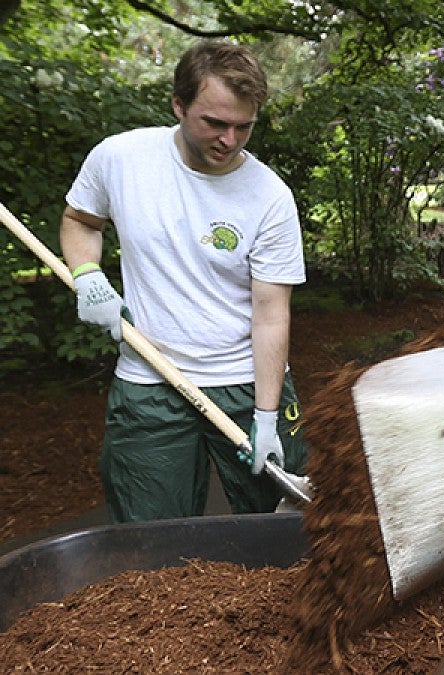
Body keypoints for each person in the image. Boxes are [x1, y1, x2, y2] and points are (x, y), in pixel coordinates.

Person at [60, 40, 308, 523]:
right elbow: (80, 220)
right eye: (214, 123)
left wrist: (264, 415)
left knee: (282, 529)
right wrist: (87, 274)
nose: (230, 140)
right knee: (149, 541)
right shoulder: (121, 158)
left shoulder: (270, 196)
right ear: (178, 104)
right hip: (149, 383)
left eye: (244, 126)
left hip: (244, 383)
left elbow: (270, 311)